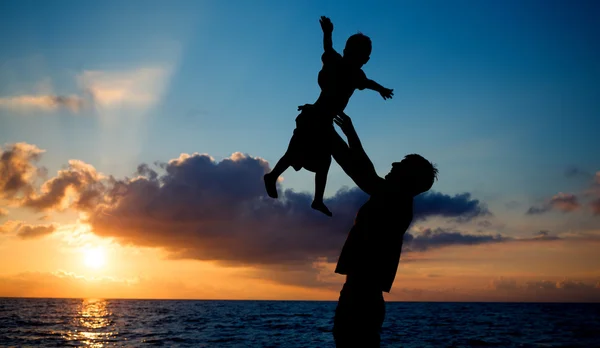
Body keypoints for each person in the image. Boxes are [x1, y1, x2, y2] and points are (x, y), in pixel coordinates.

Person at [263, 16, 393, 217]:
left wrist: (381, 89)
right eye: (352, 53)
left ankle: (317, 200)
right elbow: (328, 48)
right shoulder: (337, 63)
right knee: (294, 152)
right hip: (314, 116)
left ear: (365, 60)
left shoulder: (357, 75)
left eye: (361, 56)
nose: (356, 59)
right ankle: (272, 176)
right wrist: (327, 32)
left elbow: (368, 84)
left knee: (324, 162)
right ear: (346, 52)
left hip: (324, 121)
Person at [329, 112, 438, 347]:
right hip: (359, 292)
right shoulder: (393, 198)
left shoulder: (396, 200)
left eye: (401, 164)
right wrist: (345, 134)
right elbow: (362, 169)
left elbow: (361, 172)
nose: (393, 163)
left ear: (408, 179)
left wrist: (332, 134)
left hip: (363, 296)